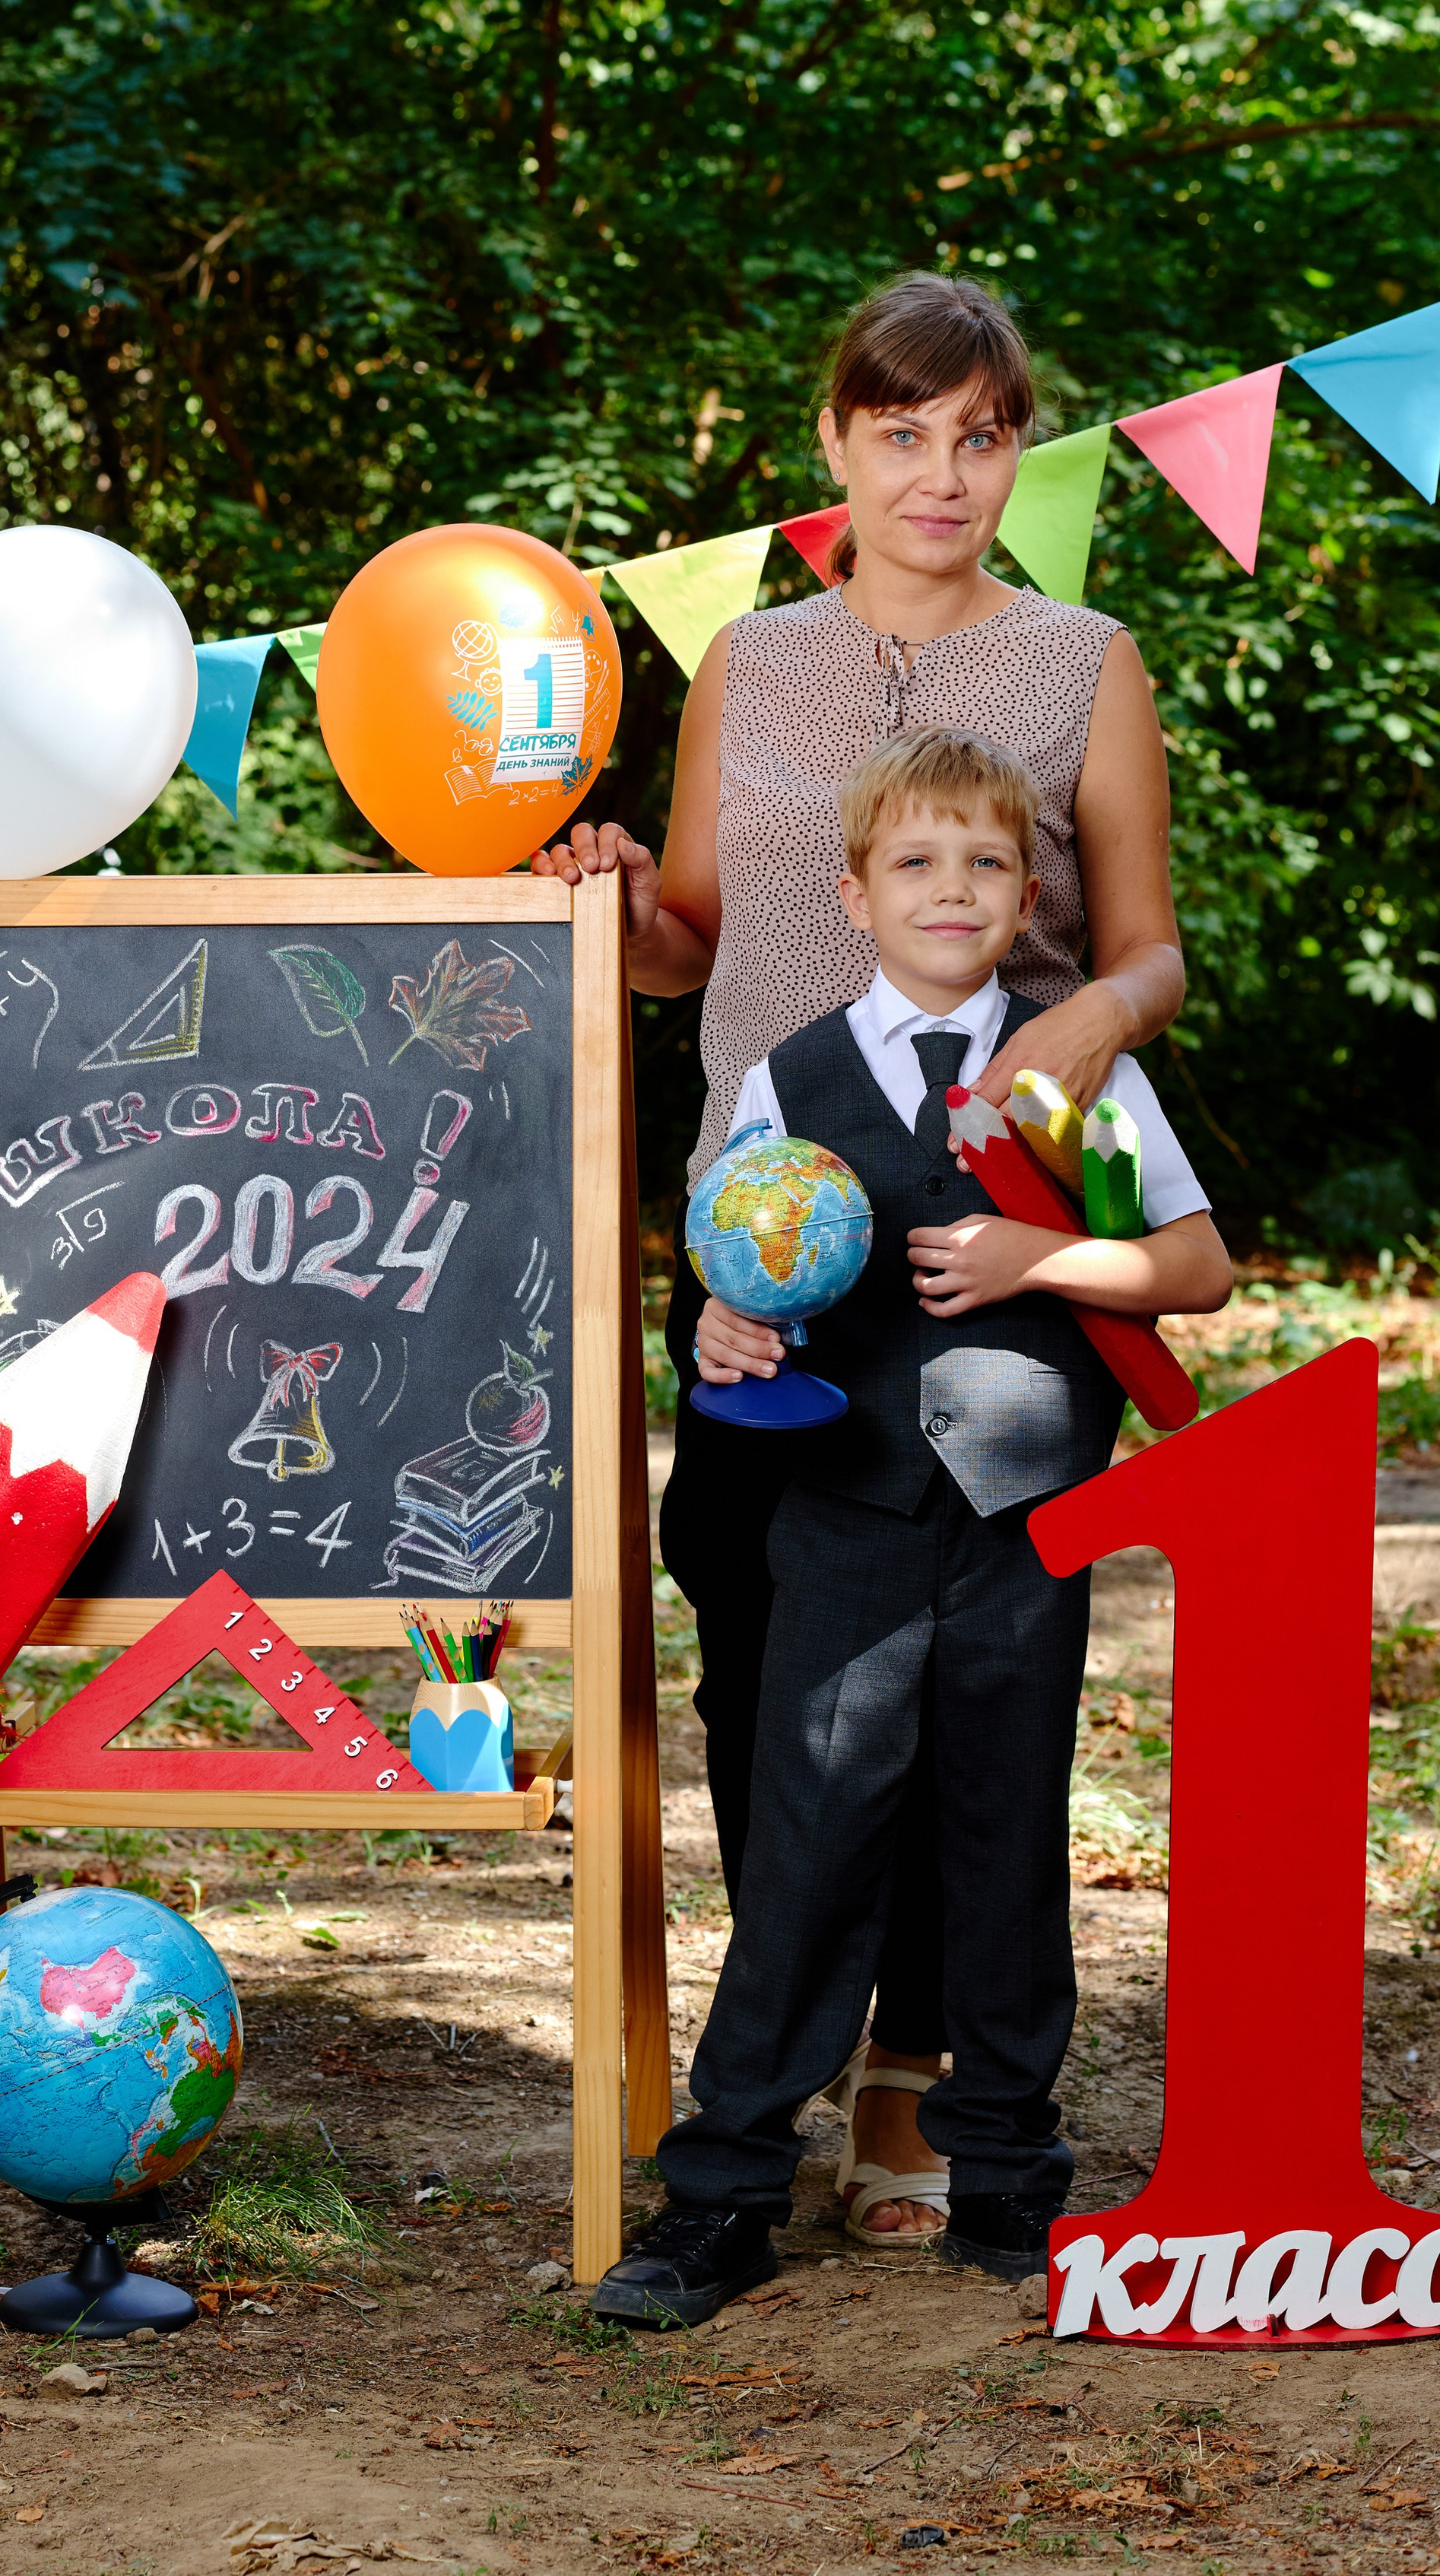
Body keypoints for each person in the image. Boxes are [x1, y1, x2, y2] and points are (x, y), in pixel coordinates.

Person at [534, 272, 1187, 2242]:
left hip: (991, 1217)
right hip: (770, 1220)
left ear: (1019, 450)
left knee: (982, 1635)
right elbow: (704, 948)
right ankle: (796, 2027)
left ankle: (919, 2070)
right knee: (750, 1599)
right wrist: (620, 900)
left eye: (980, 432)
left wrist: (1092, 1026)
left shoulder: (1086, 658)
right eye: (901, 432)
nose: (941, 471)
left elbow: (1148, 946)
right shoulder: (752, 662)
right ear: (834, 446)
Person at [589, 727, 1231, 2324]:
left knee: (1003, 1837)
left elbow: (1195, 1267)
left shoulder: (1068, 1074)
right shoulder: (783, 1078)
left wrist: (1039, 1258)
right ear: (853, 891)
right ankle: (725, 2188)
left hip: (1021, 1518)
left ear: (1025, 897)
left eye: (984, 864)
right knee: (807, 1841)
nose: (951, 889)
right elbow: (734, 1294)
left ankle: (1005, 2178)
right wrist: (724, 1339)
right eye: (915, 863)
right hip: (844, 1515)